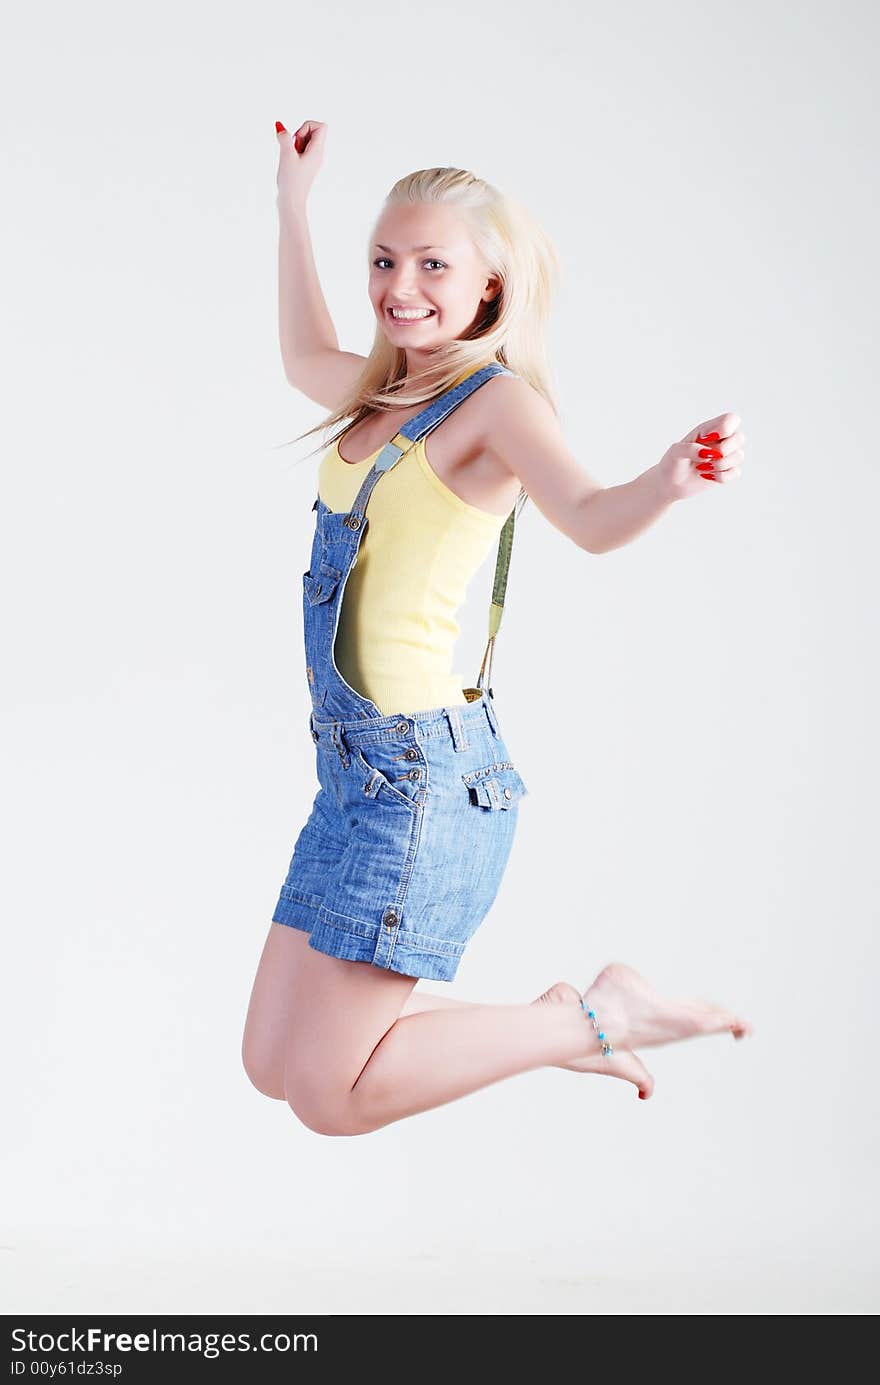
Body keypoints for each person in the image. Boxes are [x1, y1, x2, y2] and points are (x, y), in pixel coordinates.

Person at [241, 119, 752, 1137]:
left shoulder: (494, 404)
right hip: (350, 775)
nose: (400, 284)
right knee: (271, 1060)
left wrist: (661, 482)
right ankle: (563, 1020)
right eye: (384, 260)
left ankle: (595, 1017)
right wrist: (294, 203)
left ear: (487, 287)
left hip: (421, 780)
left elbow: (592, 517)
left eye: (433, 262)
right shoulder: (379, 394)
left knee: (327, 1095)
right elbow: (302, 348)